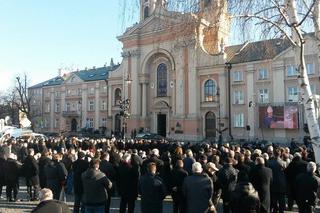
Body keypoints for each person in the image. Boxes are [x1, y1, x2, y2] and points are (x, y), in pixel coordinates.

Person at [267, 148, 287, 213]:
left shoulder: (269, 162)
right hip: (282, 183)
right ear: (280, 154)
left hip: (273, 182)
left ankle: (275, 210)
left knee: (274, 199)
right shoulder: (284, 162)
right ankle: (281, 210)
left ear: (274, 154)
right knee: (281, 199)